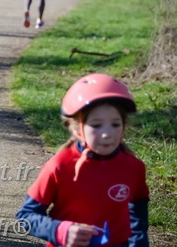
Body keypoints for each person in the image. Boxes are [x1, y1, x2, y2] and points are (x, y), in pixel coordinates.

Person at [16, 73, 150, 246]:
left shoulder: (134, 168)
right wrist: (61, 231)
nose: (107, 133)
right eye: (96, 125)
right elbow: (26, 216)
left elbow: (138, 215)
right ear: (76, 129)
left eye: (115, 124)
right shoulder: (59, 166)